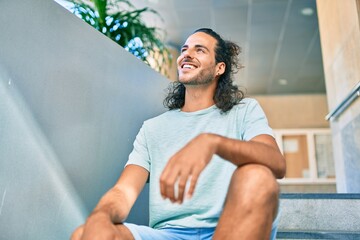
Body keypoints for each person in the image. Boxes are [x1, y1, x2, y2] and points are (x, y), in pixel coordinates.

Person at [71, 28, 286, 240]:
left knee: (258, 177)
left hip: (233, 227)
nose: (187, 54)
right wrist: (101, 216)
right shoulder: (152, 129)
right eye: (184, 49)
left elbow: (276, 162)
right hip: (169, 234)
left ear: (220, 67)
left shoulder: (244, 110)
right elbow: (123, 191)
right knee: (86, 234)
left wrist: (212, 143)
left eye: (199, 50)